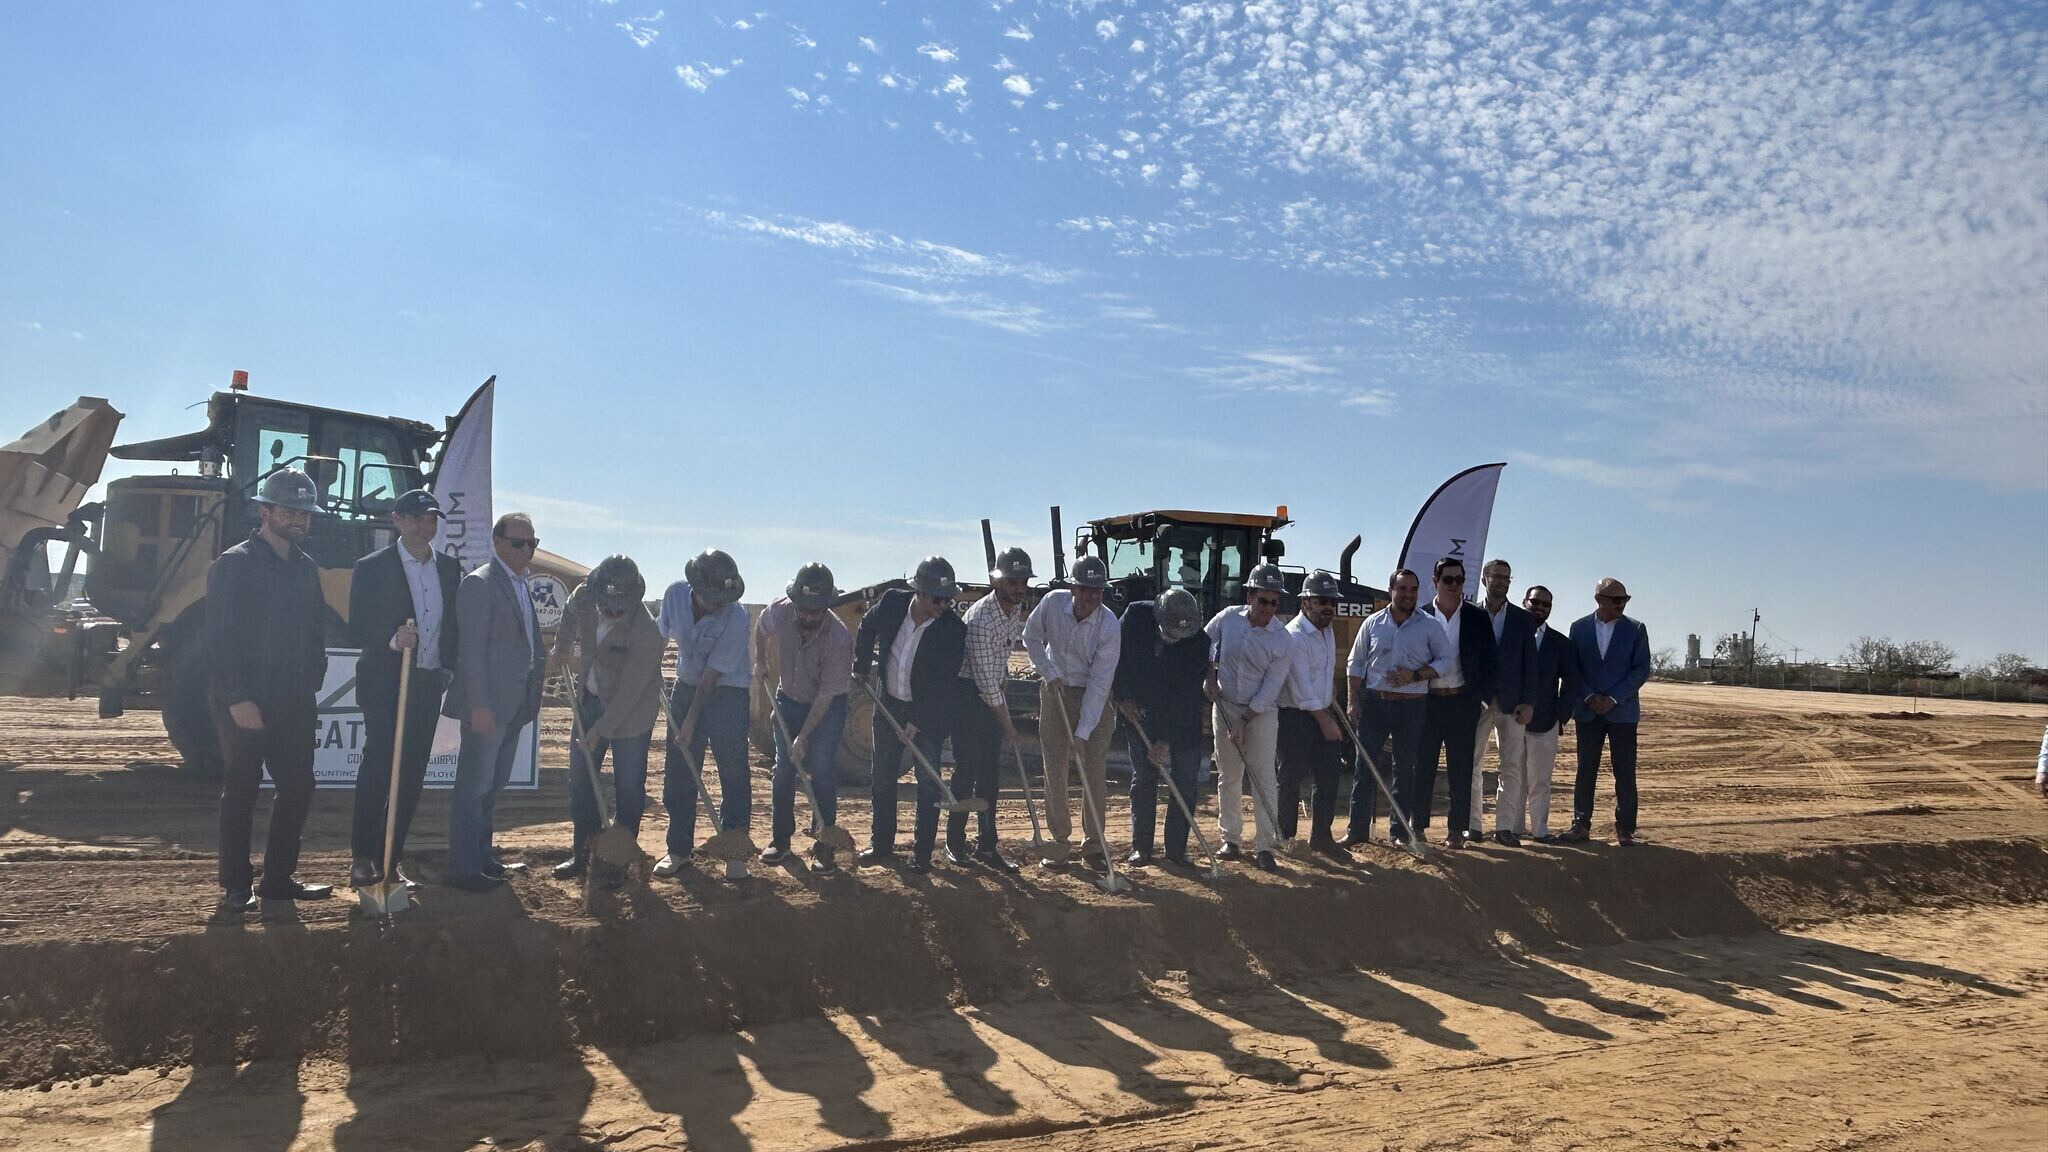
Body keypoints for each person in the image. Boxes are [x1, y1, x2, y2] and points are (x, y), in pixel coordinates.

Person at [207, 468, 331, 921]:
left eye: (305, 512)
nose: (299, 519)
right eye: (289, 510)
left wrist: (313, 678)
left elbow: (316, 629)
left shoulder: (305, 567)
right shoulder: (234, 564)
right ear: (265, 511)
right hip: (244, 701)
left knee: (298, 787)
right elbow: (220, 638)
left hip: (294, 698)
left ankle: (279, 879)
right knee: (241, 790)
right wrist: (237, 697)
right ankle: (236, 886)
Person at [346, 488, 463, 892]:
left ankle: (390, 860)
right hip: (385, 681)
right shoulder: (372, 567)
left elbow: (452, 625)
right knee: (379, 766)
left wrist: (446, 667)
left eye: (430, 519)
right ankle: (362, 858)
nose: (423, 526)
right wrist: (392, 639)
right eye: (415, 518)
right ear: (396, 520)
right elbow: (357, 624)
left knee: (412, 773)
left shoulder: (449, 569)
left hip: (426, 682)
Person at [443, 512, 546, 891]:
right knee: (474, 786)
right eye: (518, 543)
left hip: (514, 704)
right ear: (497, 542)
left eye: (532, 543)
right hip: (488, 707)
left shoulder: (520, 584)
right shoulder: (480, 584)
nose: (526, 550)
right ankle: (464, 868)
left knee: (491, 786)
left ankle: (482, 857)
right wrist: (479, 707)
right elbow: (471, 652)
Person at [550, 555, 663, 880]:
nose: (613, 612)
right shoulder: (584, 597)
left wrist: (601, 729)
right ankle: (582, 854)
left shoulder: (645, 632)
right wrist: (562, 645)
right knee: (581, 783)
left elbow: (630, 692)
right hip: (590, 700)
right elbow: (569, 615)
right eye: (608, 605)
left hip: (631, 713)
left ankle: (617, 861)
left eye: (620, 607)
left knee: (628, 788)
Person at [853, 557, 966, 872]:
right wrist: (861, 665)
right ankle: (881, 845)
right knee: (883, 779)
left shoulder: (953, 631)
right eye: (936, 598)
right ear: (919, 592)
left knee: (928, 784)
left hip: (928, 713)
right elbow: (866, 626)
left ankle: (921, 856)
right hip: (889, 703)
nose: (942, 605)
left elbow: (944, 686)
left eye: (948, 599)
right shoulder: (892, 603)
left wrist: (917, 722)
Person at [653, 549, 751, 877]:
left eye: (723, 598)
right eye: (712, 597)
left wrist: (690, 723)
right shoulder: (674, 595)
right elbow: (660, 637)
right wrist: (651, 670)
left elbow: (711, 678)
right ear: (696, 587)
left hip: (727, 693)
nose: (718, 604)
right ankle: (678, 850)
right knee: (679, 770)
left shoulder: (735, 617)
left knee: (733, 770)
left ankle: (735, 853)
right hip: (685, 686)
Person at [1023, 554, 1123, 869]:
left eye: (1097, 590)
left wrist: (1083, 733)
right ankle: (1059, 842)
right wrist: (1048, 672)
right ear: (1073, 588)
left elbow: (1100, 683)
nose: (1091, 596)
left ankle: (1094, 846)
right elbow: (1031, 638)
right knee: (1054, 766)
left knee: (1092, 768)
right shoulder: (1052, 604)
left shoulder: (1109, 625)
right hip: (1056, 689)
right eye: (1085, 589)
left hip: (1092, 694)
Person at [754, 562, 854, 869]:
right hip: (788, 699)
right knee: (783, 770)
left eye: (816, 611)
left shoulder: (838, 638)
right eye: (804, 609)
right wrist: (760, 660)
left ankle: (824, 844)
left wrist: (803, 737)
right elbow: (761, 626)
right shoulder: (781, 611)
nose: (809, 616)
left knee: (821, 769)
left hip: (826, 707)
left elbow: (825, 696)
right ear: (795, 602)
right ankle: (781, 841)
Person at [1341, 569, 1447, 846]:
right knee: (1364, 767)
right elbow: (1355, 663)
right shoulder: (1373, 623)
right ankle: (1357, 831)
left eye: (1413, 589)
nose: (1409, 595)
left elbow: (1445, 662)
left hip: (1412, 706)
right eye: (1403, 589)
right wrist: (1353, 701)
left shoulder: (1430, 626)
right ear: (1391, 590)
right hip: (1375, 704)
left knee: (1406, 770)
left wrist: (1414, 675)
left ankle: (1399, 833)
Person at [1205, 563, 1294, 871]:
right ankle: (1230, 838)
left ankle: (1265, 845)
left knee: (1263, 775)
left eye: (1274, 602)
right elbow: (1206, 642)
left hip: (1261, 713)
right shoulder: (1229, 619)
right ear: (1250, 596)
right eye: (1263, 600)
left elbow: (1271, 688)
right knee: (1229, 774)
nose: (1269, 608)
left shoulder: (1282, 640)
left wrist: (1245, 721)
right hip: (1226, 704)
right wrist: (1209, 675)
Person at [1113, 588, 1209, 867]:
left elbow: (1187, 697)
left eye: (1179, 634)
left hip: (1183, 720)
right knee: (1144, 778)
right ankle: (1141, 848)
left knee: (1186, 782)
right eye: (1168, 631)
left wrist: (1165, 740)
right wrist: (1122, 697)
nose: (1173, 638)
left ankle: (1176, 850)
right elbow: (1114, 660)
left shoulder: (1198, 642)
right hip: (1140, 710)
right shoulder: (1133, 618)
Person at [952, 547, 1034, 872]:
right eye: (1012, 581)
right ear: (998, 581)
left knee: (990, 775)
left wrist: (1004, 685)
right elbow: (984, 683)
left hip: (990, 692)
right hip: (967, 696)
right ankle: (954, 844)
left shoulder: (1014, 610)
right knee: (966, 770)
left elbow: (999, 665)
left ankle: (987, 847)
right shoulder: (981, 620)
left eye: (1022, 581)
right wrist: (1009, 725)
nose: (1018, 587)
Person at [1415, 557, 1498, 849]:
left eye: (1459, 580)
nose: (1454, 586)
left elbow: (1491, 663)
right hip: (1428, 703)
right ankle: (1418, 828)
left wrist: (1482, 702)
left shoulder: (1477, 618)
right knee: (1422, 767)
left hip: (1463, 703)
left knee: (1461, 770)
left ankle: (1456, 831)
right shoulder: (1421, 617)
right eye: (1448, 580)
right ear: (1435, 581)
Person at [1565, 578, 1651, 844]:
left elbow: (1641, 669)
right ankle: (1581, 823)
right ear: (1599, 599)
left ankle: (1625, 827)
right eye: (1616, 600)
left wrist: (1613, 698)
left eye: (1625, 600)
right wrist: (1590, 696)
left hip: (1622, 712)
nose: (1621, 605)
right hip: (1588, 711)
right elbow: (1573, 668)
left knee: (1624, 770)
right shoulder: (1579, 629)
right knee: (1585, 768)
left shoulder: (1635, 629)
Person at [1277, 569, 1347, 857]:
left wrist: (1330, 694)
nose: (1329, 607)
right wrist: (1325, 720)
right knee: (1291, 777)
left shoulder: (1327, 630)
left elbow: (1324, 672)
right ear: (1306, 602)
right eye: (1322, 601)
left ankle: (1321, 838)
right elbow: (1301, 688)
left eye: (1332, 601)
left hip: (1322, 710)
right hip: (1296, 717)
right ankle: (1285, 839)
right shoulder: (1294, 636)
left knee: (1328, 776)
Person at [1472, 559, 1540, 845]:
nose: (1501, 582)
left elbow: (1531, 664)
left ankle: (1504, 828)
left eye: (1507, 578)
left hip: (1513, 704)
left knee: (1511, 766)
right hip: (1478, 703)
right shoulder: (1470, 615)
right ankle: (1472, 826)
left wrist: (1529, 702)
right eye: (1497, 576)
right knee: (1471, 764)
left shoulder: (1523, 619)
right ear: (1485, 579)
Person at [1514, 585, 1580, 842]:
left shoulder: (1560, 643)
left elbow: (1572, 681)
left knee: (1540, 780)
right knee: (1512, 777)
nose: (1540, 608)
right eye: (1536, 602)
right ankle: (1511, 829)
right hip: (1511, 719)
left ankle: (1540, 829)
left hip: (1545, 722)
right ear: (1525, 602)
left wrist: (1561, 714)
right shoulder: (1512, 637)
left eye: (1546, 605)